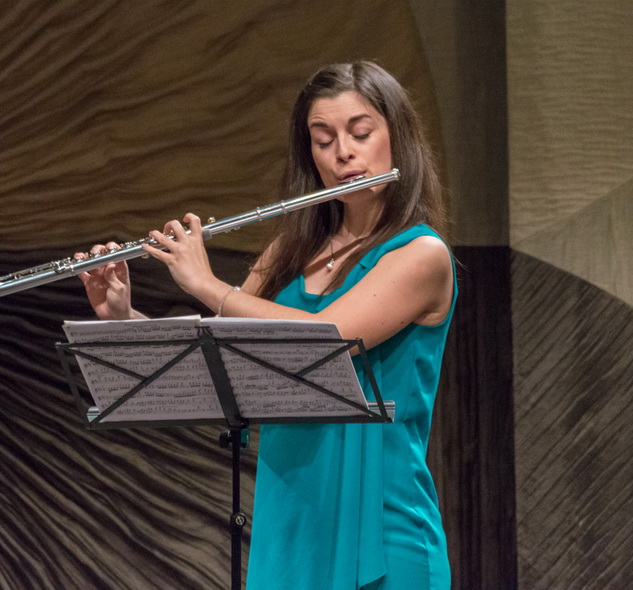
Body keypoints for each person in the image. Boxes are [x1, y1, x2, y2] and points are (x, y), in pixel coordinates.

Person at [77, 61, 456, 590]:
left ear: (399, 139)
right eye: (323, 140)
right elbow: (214, 358)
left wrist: (207, 284)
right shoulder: (287, 251)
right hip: (290, 516)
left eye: (360, 132)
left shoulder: (421, 254)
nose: (343, 153)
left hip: (382, 524)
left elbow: (329, 337)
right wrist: (122, 315)